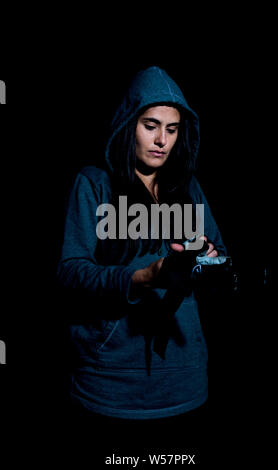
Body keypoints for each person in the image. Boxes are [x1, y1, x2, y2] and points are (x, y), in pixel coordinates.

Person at [57, 66, 226, 443]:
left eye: (172, 128)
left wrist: (206, 260)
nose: (162, 140)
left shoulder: (189, 188)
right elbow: (69, 271)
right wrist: (142, 277)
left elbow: (221, 261)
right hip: (108, 384)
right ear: (127, 124)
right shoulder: (93, 183)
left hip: (185, 381)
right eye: (150, 125)